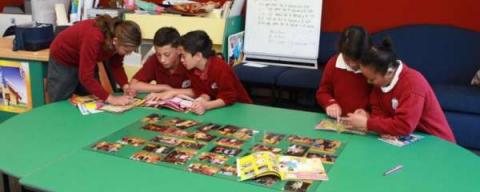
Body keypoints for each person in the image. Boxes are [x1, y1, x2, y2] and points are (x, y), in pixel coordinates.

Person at [343, 38, 456, 143]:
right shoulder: (379, 84)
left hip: (437, 142)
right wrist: (368, 117)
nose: (368, 82)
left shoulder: (412, 84)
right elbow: (378, 112)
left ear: (389, 72)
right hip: (410, 139)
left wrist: (367, 123)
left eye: (372, 79)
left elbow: (404, 125)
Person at [47, 15, 141, 105]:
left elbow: (116, 65)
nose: (128, 54)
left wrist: (125, 86)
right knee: (60, 102)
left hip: (86, 58)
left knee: (93, 99)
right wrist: (111, 99)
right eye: (127, 51)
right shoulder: (94, 37)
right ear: (115, 41)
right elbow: (86, 77)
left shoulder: (118, 39)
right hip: (64, 57)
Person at [178, 30, 252, 115]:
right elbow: (205, 91)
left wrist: (206, 106)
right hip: (219, 109)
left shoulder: (220, 68)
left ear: (198, 56)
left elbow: (229, 97)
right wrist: (201, 100)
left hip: (240, 109)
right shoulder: (191, 68)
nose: (181, 60)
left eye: (184, 56)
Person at [316, 26, 372, 121]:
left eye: (357, 60)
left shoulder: (373, 67)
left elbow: (382, 100)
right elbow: (323, 92)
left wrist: (369, 114)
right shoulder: (333, 63)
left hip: (366, 122)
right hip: (339, 120)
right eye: (347, 59)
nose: (352, 64)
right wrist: (330, 103)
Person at [129, 27, 192, 101]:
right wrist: (164, 87)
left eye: (167, 54)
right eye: (159, 54)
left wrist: (173, 92)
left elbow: (202, 91)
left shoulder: (188, 61)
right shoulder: (154, 60)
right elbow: (133, 85)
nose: (162, 60)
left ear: (178, 50)